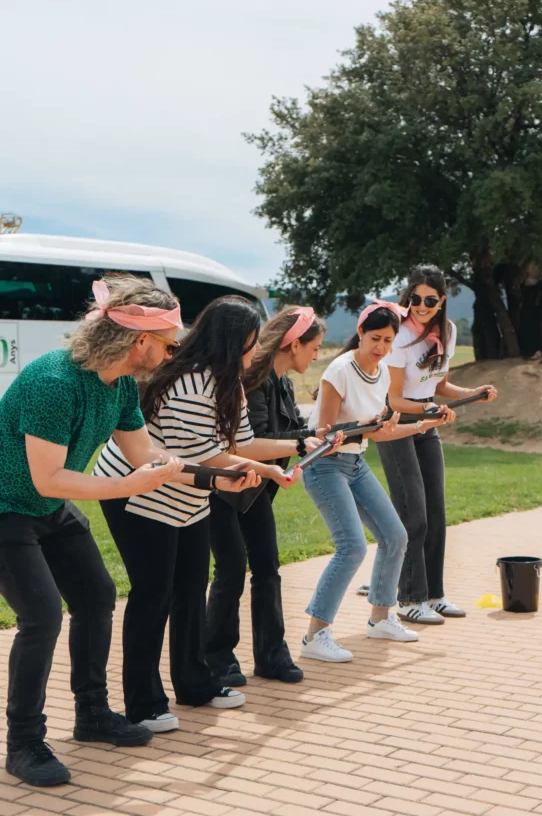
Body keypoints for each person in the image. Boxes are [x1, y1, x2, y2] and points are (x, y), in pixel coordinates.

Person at [0, 275, 187, 787]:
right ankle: (23, 744)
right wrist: (132, 485)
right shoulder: (54, 383)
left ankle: (91, 714)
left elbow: (145, 456)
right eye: (169, 343)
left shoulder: (121, 384)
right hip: (7, 507)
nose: (172, 353)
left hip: (49, 506)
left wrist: (212, 472)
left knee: (97, 595)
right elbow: (49, 476)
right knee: (40, 616)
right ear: (138, 341)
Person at [95, 296, 305, 734]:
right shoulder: (191, 384)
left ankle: (194, 683)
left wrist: (270, 465)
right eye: (249, 344)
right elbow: (205, 458)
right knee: (154, 593)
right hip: (137, 492)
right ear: (229, 344)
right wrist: (245, 470)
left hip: (189, 494)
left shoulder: (230, 383)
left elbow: (239, 446)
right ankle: (143, 701)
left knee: (190, 587)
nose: (254, 352)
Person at [300, 301, 448, 663]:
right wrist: (370, 428)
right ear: (361, 335)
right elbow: (328, 434)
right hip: (326, 466)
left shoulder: (381, 373)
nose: (381, 347)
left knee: (396, 536)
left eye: (388, 340)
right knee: (352, 547)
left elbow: (379, 434)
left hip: (356, 463)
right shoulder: (339, 370)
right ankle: (315, 636)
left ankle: (380, 618)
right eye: (375, 338)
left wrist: (423, 425)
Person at [206, 306, 327, 687]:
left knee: (268, 569)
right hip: (225, 491)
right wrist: (300, 442)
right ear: (293, 345)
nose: (317, 355)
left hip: (256, 491)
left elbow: (291, 432)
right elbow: (248, 444)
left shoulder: (282, 382)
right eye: (315, 347)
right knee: (230, 570)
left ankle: (272, 655)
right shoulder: (254, 382)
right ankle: (217, 658)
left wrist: (330, 434)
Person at [374, 265, 498, 624]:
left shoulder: (448, 331)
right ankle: (409, 599)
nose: (421, 306)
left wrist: (472, 393)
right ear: (407, 297)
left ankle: (433, 594)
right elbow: (394, 399)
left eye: (430, 300)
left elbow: (440, 386)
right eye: (415, 298)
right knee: (414, 513)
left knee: (436, 513)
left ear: (442, 300)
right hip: (398, 424)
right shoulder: (398, 336)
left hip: (428, 423)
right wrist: (429, 410)